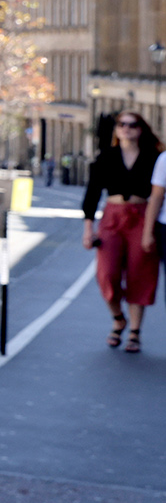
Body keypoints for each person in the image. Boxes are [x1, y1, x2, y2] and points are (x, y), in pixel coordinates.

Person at [90, 111, 160, 352]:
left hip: (142, 216)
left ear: (141, 129)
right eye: (122, 124)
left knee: (140, 272)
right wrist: (88, 228)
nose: (127, 129)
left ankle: (134, 332)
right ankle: (118, 318)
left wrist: (150, 230)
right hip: (112, 217)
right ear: (116, 129)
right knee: (107, 274)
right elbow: (92, 192)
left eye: (132, 125)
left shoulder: (154, 157)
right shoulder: (106, 156)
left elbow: (159, 193)